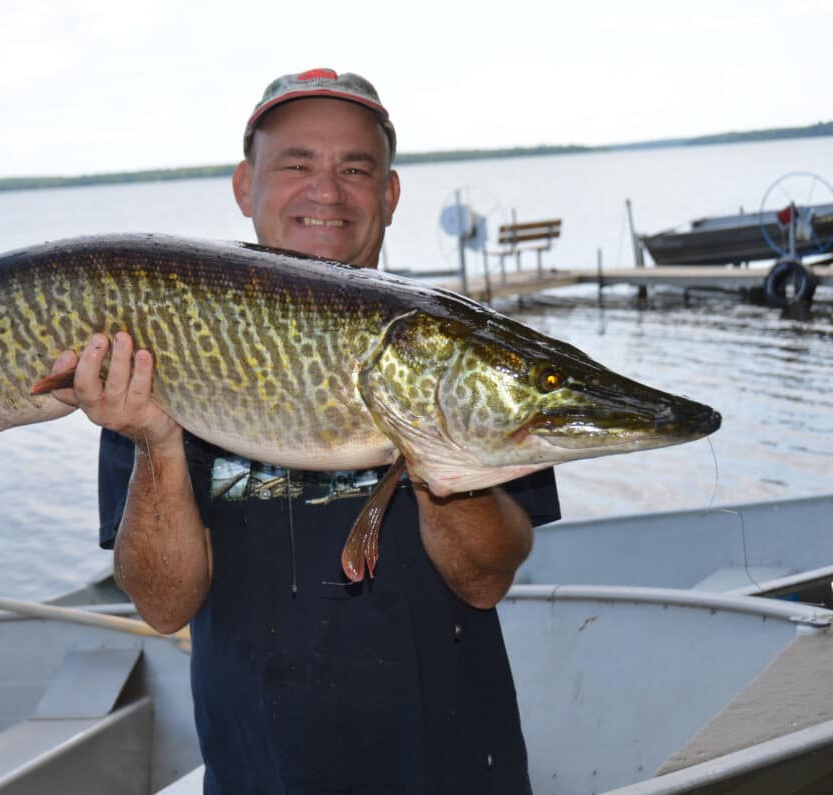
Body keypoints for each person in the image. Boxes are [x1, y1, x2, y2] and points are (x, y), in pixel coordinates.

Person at [48, 69, 561, 794]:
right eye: (296, 165)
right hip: (261, 776)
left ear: (389, 195)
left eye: (356, 168)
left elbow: (484, 581)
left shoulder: (455, 352)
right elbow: (163, 606)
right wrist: (158, 441)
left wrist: (438, 448)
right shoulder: (156, 351)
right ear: (243, 186)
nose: (327, 190)